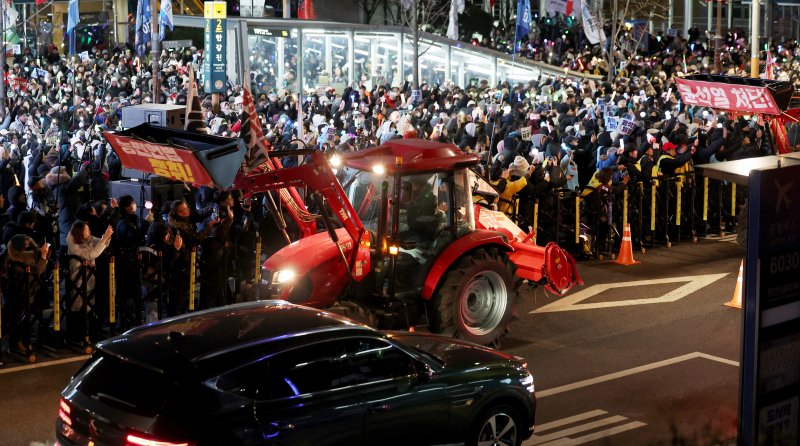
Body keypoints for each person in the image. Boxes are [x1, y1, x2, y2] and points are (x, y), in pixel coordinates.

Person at [66, 220, 113, 353]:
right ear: (80, 232)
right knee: (80, 307)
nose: (89, 232)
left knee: (90, 306)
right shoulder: (74, 244)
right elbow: (92, 254)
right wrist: (104, 238)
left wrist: (106, 237)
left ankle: (91, 333)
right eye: (87, 230)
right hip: (79, 281)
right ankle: (79, 335)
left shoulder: (88, 239)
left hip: (89, 280)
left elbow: (102, 243)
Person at [5, 234, 49, 362]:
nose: (28, 240)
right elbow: (37, 272)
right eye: (25, 240)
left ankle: (19, 342)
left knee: (20, 319)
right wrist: (43, 257)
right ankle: (19, 344)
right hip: (23, 295)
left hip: (20, 294)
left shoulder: (16, 255)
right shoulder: (23, 259)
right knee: (21, 320)